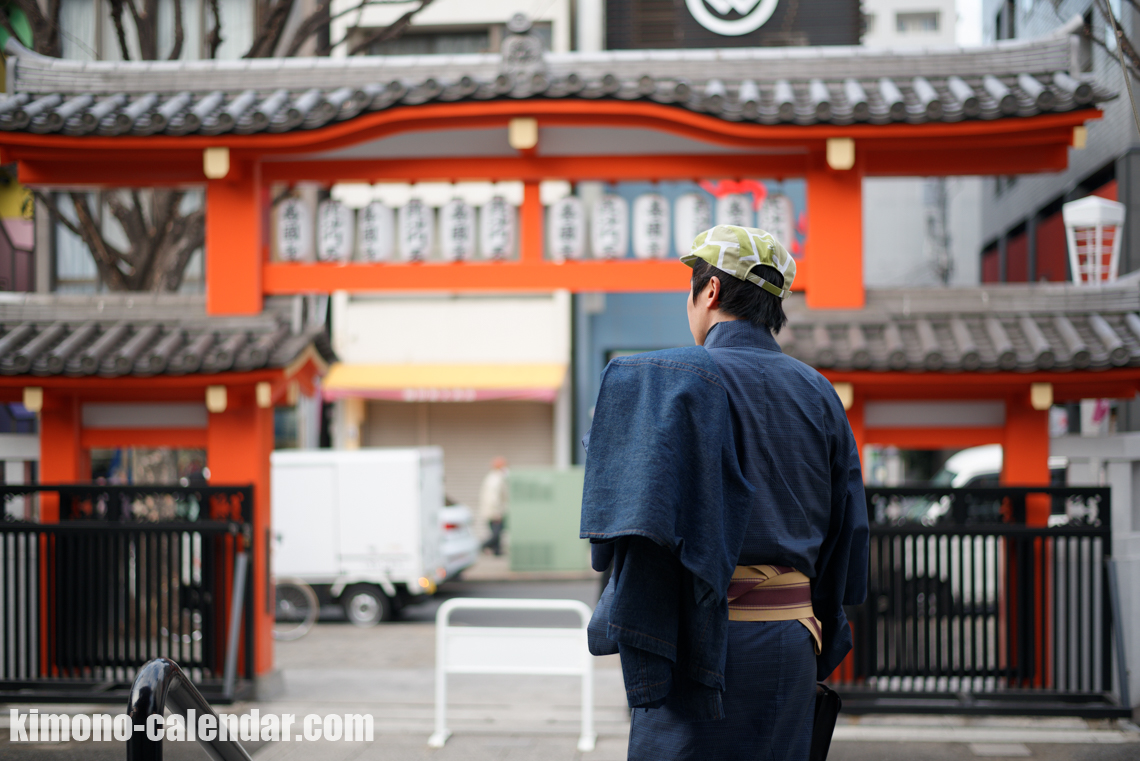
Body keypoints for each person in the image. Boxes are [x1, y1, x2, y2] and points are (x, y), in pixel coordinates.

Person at [581, 225, 869, 761]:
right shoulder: (819, 392)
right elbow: (848, 533)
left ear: (709, 290)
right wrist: (817, 627)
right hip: (789, 637)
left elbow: (620, 521)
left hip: (687, 640)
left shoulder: (662, 379)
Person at [478, 456, 509, 555]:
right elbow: (493, 498)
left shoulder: (492, 477)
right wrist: (497, 512)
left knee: (497, 533)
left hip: (492, 511)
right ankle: (480, 546)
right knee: (496, 534)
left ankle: (497, 551)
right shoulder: (496, 478)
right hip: (494, 512)